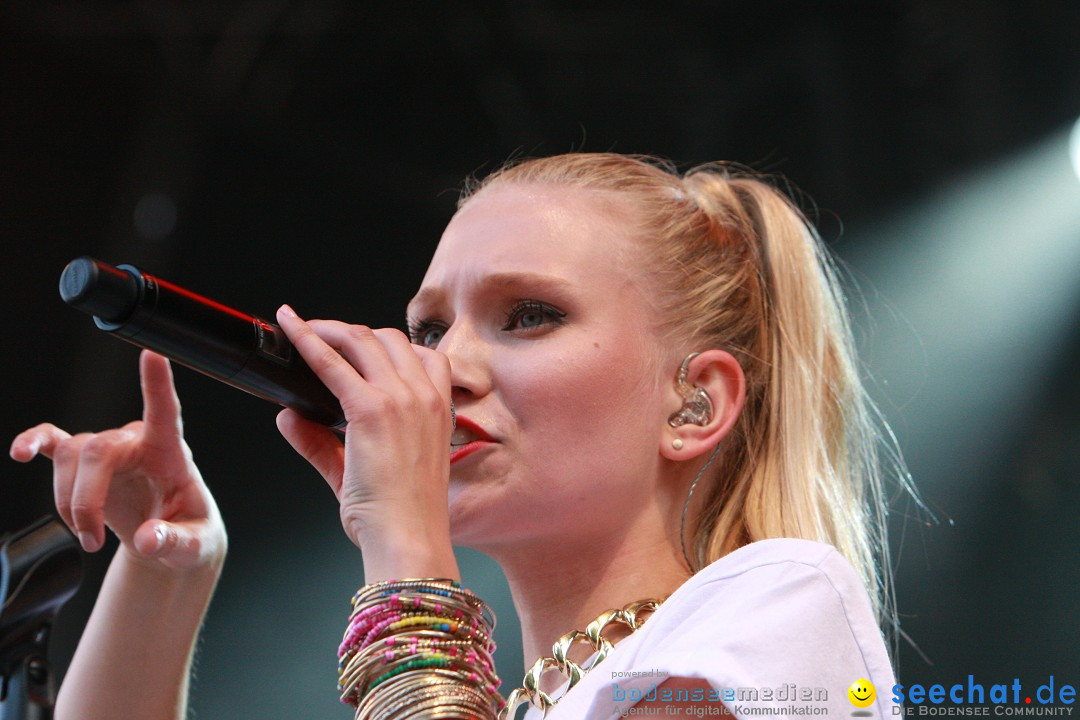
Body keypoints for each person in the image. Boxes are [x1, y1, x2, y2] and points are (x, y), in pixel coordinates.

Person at [10, 153, 905, 720]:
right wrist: (169, 571)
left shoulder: (782, 605)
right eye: (431, 330)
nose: (444, 369)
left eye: (528, 315)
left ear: (696, 404)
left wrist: (401, 544)